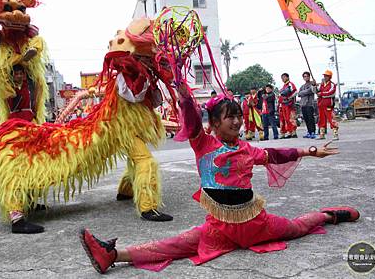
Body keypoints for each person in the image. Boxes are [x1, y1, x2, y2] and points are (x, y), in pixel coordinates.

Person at [79, 84, 360, 274]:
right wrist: (185, 95)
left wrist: (310, 151)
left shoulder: (248, 148)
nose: (237, 121)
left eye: (238, 116)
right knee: (172, 245)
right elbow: (189, 119)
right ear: (213, 124)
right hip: (219, 229)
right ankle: (112, 255)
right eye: (230, 117)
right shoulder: (203, 144)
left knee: (297, 227)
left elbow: (275, 154)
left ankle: (330, 215)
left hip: (257, 224)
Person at [315, 70, 339, 140]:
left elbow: (331, 93)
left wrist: (321, 94)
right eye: (324, 76)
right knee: (321, 119)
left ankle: (335, 134)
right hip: (321, 104)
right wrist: (314, 86)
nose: (325, 77)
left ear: (330, 77)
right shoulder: (321, 84)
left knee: (331, 119)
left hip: (328, 104)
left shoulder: (332, 84)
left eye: (327, 76)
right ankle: (322, 134)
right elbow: (316, 91)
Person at [279, 73, 298, 138]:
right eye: (282, 78)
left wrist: (290, 97)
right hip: (284, 105)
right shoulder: (283, 86)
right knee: (286, 119)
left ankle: (294, 132)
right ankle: (289, 132)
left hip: (290, 104)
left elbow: (295, 92)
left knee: (291, 118)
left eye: (284, 77)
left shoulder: (290, 84)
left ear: (287, 77)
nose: (283, 79)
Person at [298, 71, 317, 139]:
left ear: (309, 77)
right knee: (306, 119)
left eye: (307, 76)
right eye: (304, 76)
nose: (306, 77)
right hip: (303, 104)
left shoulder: (312, 84)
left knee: (310, 118)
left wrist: (303, 92)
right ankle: (309, 131)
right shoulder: (302, 86)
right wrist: (305, 92)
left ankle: (313, 132)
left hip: (309, 103)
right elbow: (299, 94)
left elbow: (311, 90)